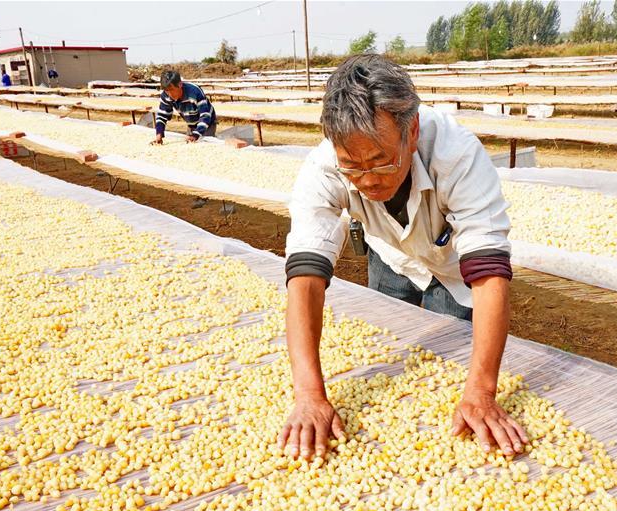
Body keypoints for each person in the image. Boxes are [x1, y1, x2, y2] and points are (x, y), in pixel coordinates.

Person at [279, 54, 528, 461]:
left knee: (450, 354)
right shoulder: (324, 166)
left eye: (381, 162)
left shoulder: (456, 154)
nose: (368, 181)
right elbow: (306, 273)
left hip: (451, 266)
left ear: (411, 132)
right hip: (390, 253)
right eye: (353, 168)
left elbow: (488, 271)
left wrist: (482, 393)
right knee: (399, 344)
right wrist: (309, 395)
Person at [150, 70, 217, 145]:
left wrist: (196, 134)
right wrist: (159, 134)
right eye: (166, 91)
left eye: (171, 90)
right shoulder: (165, 96)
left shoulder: (194, 92)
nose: (169, 94)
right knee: (190, 144)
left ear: (180, 85)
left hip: (208, 123)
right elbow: (162, 115)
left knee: (205, 144)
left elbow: (205, 115)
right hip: (191, 124)